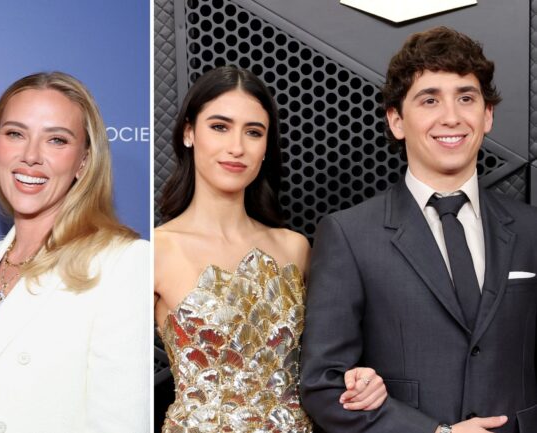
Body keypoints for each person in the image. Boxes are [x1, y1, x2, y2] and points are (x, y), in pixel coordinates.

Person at [301, 26, 537, 433]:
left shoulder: (532, 230)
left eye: (466, 97)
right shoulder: (349, 235)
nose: (451, 116)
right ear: (396, 120)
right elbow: (323, 385)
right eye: (430, 100)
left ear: (488, 115)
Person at [154, 65, 387, 433]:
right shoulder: (155, 251)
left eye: (254, 132)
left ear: (266, 147)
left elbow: (331, 361)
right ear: (188, 133)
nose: (237, 147)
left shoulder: (295, 248)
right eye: (219, 127)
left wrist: (361, 378)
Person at [0, 71, 149, 433]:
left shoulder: (121, 262)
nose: (31, 156)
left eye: (56, 140)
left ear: (83, 161)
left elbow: (120, 423)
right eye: (15, 134)